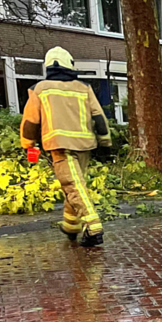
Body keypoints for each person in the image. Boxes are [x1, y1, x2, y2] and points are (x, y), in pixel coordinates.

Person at [19, 47, 111, 247]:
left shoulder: (40, 89)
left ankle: (93, 226)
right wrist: (105, 139)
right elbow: (99, 116)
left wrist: (28, 144)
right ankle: (71, 226)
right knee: (76, 185)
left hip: (59, 145)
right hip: (85, 144)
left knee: (72, 186)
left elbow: (30, 122)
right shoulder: (83, 87)